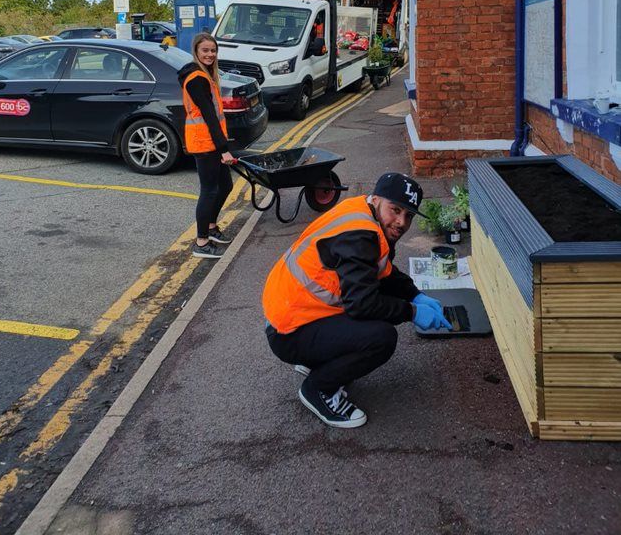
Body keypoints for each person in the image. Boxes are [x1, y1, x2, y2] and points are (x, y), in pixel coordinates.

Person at [262, 172, 452, 429]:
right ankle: (318, 389)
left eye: (408, 215)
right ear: (376, 200)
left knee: (376, 307)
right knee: (381, 337)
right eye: (395, 210)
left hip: (295, 315)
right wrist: (412, 312)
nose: (401, 222)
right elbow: (362, 304)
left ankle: (316, 362)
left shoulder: (361, 212)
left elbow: (381, 273)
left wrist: (415, 294)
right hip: (289, 331)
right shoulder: (361, 236)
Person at [178, 32, 235, 259]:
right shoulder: (197, 79)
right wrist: (224, 149)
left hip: (211, 141)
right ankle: (201, 242)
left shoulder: (206, 74)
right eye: (205, 51)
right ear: (196, 52)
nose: (210, 54)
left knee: (226, 186)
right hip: (204, 143)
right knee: (209, 191)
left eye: (213, 50)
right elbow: (210, 116)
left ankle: (211, 227)